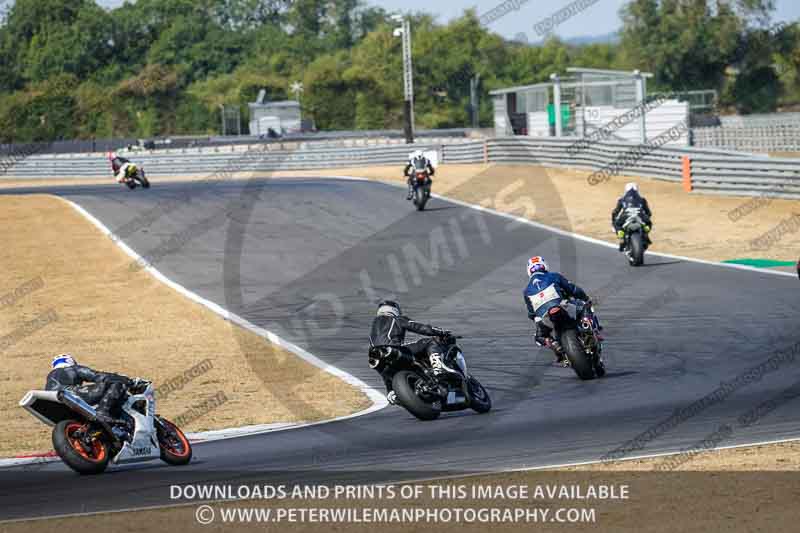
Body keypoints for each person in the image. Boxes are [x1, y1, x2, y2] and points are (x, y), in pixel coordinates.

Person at [368, 300, 452, 404]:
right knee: (430, 341)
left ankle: (391, 393)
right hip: (394, 349)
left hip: (375, 357)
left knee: (386, 372)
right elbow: (420, 327)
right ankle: (438, 367)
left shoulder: (373, 327)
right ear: (394, 310)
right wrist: (440, 331)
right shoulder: (396, 319)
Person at [523, 257, 600, 366]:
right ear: (545, 266)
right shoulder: (554, 276)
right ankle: (587, 327)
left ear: (529, 271)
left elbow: (531, 313)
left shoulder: (526, 291)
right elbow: (573, 290)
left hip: (545, 317)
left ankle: (555, 345)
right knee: (583, 305)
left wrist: (537, 318)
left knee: (539, 337)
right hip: (562, 307)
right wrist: (586, 298)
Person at [45, 354, 133, 424]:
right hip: (72, 394)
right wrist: (122, 378)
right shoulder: (71, 369)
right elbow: (98, 376)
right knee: (116, 382)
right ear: (70, 361)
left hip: (56, 405)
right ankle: (103, 411)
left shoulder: (50, 376)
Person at [612, 182, 653, 252]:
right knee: (649, 223)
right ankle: (645, 234)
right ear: (637, 190)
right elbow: (648, 212)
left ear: (625, 190)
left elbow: (615, 212)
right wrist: (647, 219)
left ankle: (621, 236)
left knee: (617, 224)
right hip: (639, 215)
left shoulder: (621, 199)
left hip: (626, 216)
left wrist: (614, 220)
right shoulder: (642, 199)